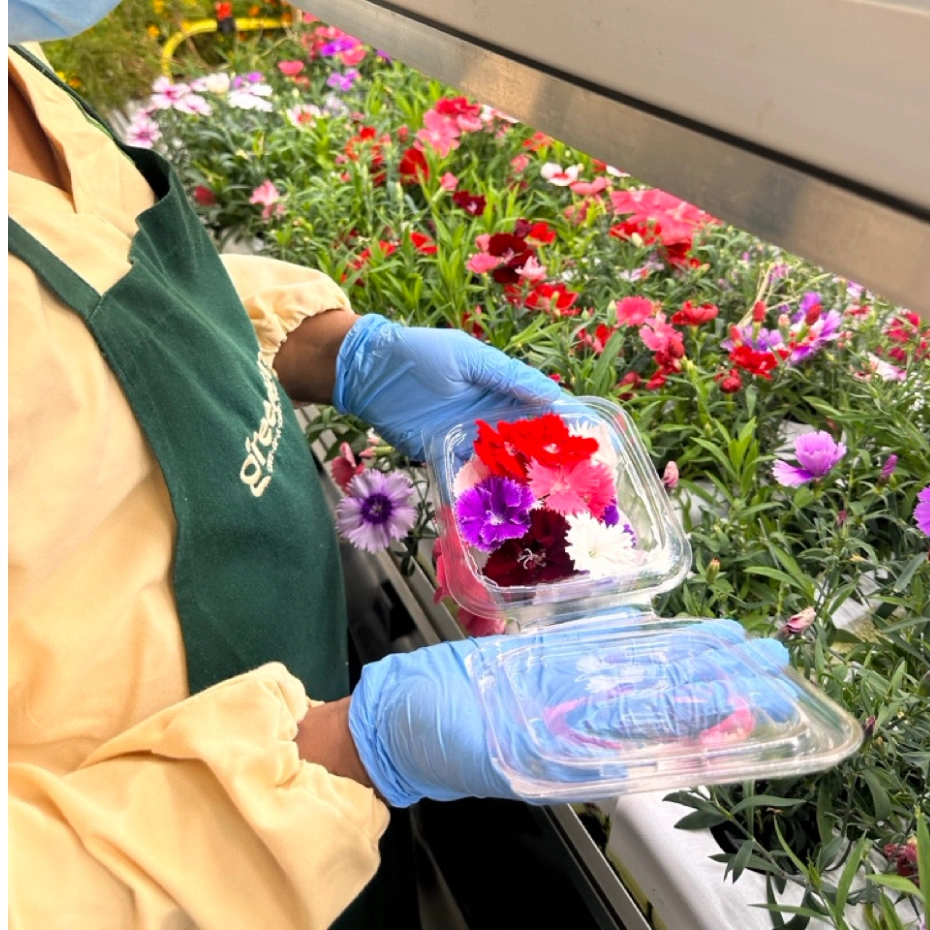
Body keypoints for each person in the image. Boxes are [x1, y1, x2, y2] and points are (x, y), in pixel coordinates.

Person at [8, 4, 791, 927]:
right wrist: (345, 753)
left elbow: (82, 305)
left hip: (310, 754)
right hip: (183, 871)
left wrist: (330, 348)